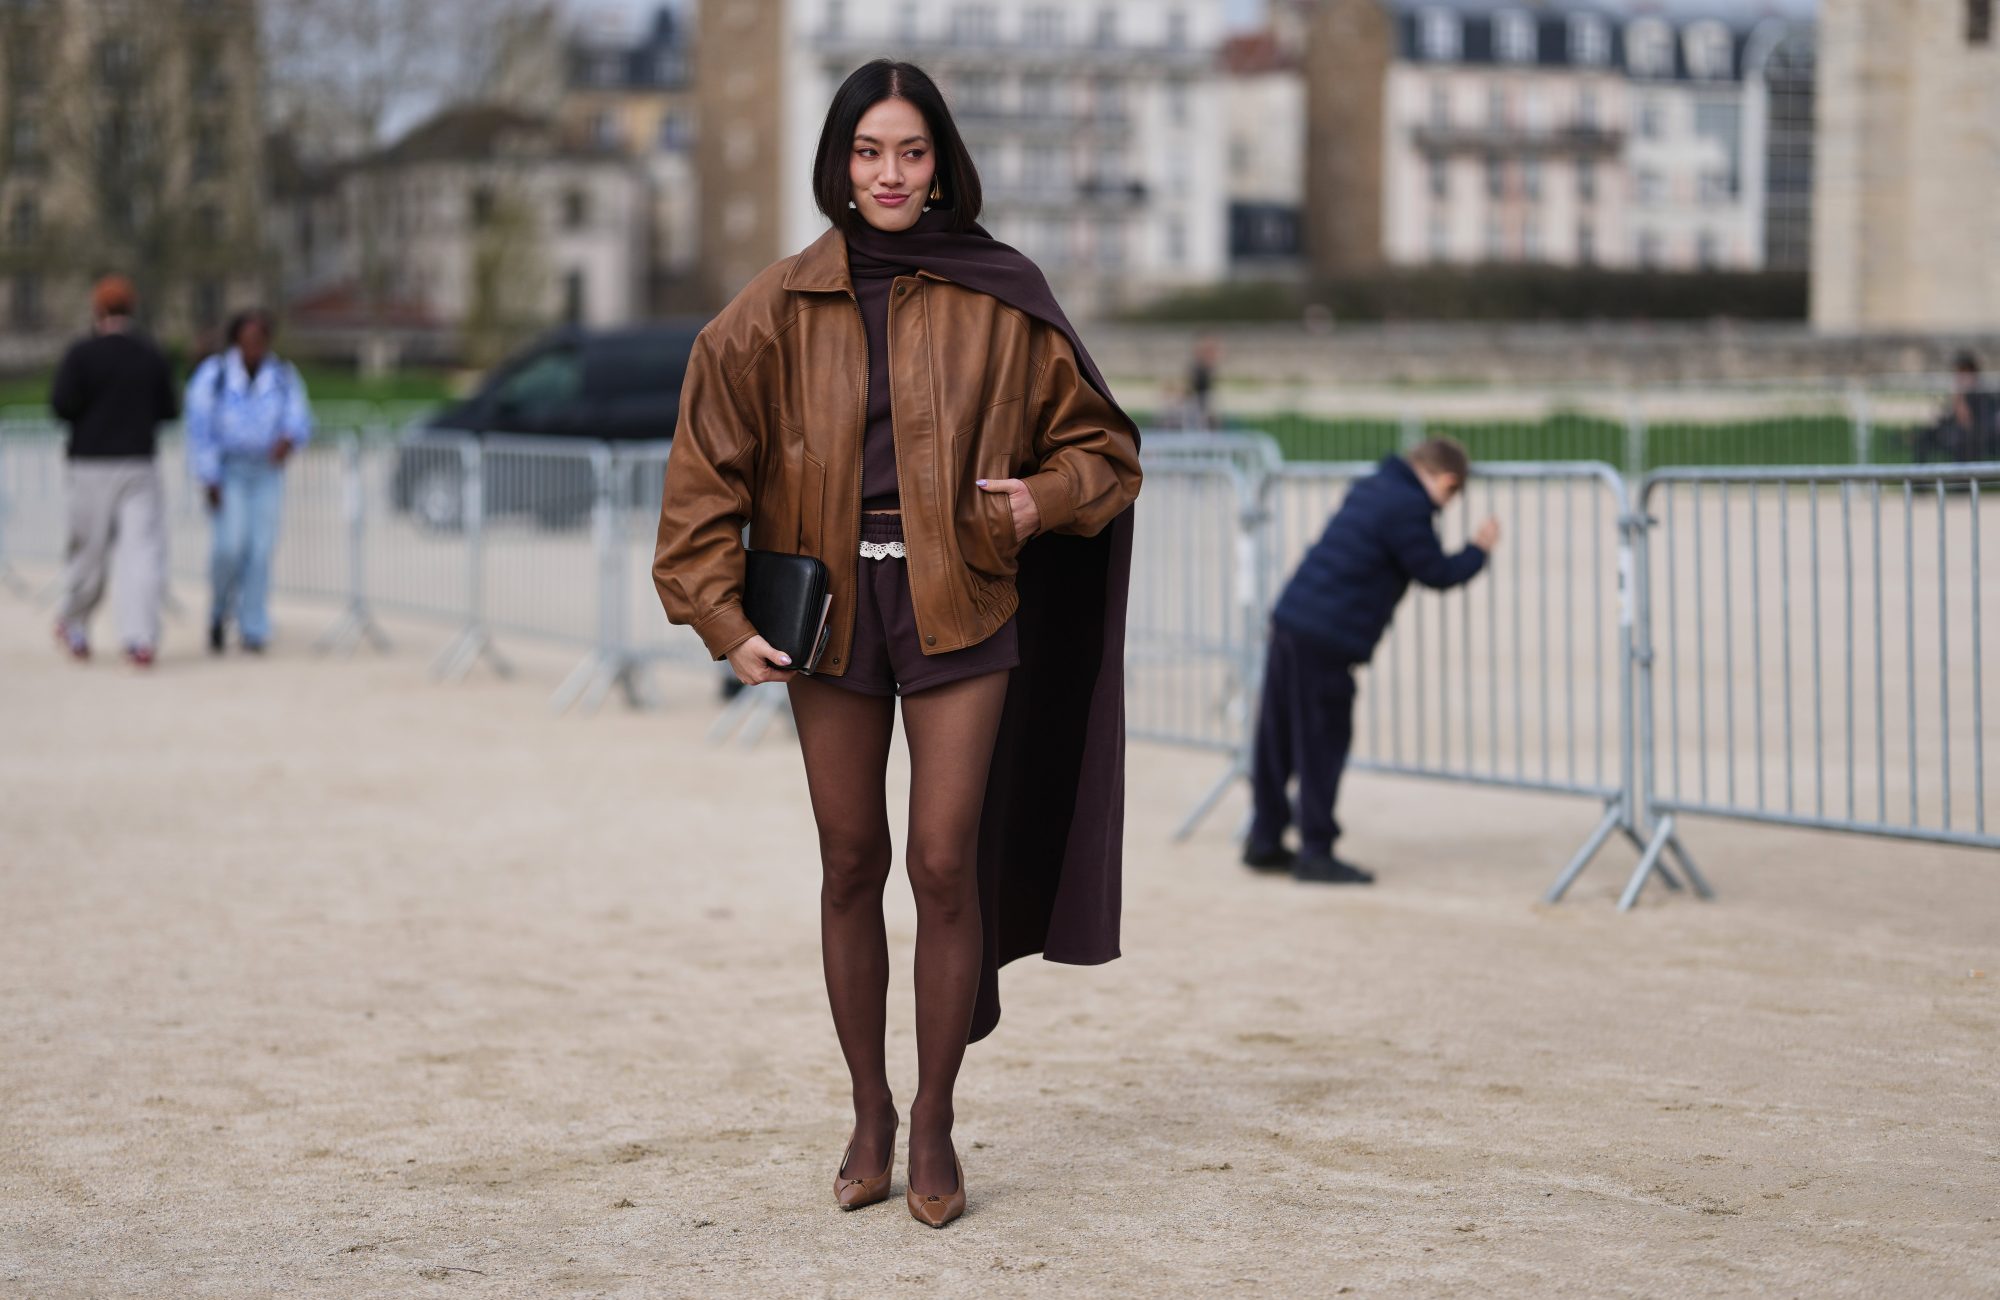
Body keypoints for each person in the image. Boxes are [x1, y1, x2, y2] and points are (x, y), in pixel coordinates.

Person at [652, 60, 1142, 1228]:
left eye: (909, 152)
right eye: (868, 151)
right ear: (838, 163)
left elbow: (1104, 454)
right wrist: (723, 617)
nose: (888, 173)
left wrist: (1037, 500)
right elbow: (702, 477)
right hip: (825, 618)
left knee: (941, 862)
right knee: (847, 860)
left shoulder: (1002, 294)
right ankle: (868, 1111)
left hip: (962, 598)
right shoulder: (769, 308)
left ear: (939, 165)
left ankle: (933, 1120)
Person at [1245, 437, 1499, 885]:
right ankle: (1315, 852)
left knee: (1277, 737)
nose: (1446, 505)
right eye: (1452, 494)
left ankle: (1264, 840)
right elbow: (1435, 571)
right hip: (1327, 636)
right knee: (1321, 744)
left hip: (1292, 620)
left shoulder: (1375, 485)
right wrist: (1479, 549)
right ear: (1447, 480)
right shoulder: (1408, 506)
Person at [48, 275, 179, 666]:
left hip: (90, 464)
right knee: (141, 553)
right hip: (138, 463)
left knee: (89, 552)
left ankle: (74, 621)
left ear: (97, 309)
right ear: (131, 308)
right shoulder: (150, 353)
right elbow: (170, 409)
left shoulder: (81, 354)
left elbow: (61, 406)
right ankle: (140, 637)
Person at [184, 309, 313, 654]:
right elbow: (199, 428)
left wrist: (289, 438)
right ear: (236, 340)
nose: (254, 347)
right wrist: (209, 476)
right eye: (248, 339)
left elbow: (300, 417)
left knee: (260, 549)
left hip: (267, 471)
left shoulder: (282, 375)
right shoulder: (215, 374)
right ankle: (219, 611)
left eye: (260, 340)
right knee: (229, 546)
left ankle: (253, 625)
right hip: (229, 471)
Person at [1914, 352, 1998, 463]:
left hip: (1975, 436)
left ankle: (1961, 473)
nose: (1959, 378)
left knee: (1961, 442)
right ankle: (1921, 472)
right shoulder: (1960, 392)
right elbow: (1947, 417)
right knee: (1924, 437)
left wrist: (1959, 399)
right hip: (1954, 431)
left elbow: (1968, 422)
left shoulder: (1982, 394)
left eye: (1963, 373)